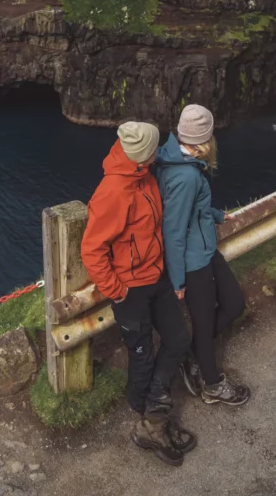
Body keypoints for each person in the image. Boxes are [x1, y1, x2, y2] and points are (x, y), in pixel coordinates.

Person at [81, 121, 195, 467]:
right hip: (131, 289)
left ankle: (154, 409)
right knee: (142, 355)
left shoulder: (143, 175)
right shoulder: (114, 191)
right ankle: (149, 422)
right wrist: (118, 291)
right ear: (144, 154)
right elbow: (92, 250)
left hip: (154, 278)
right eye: (156, 147)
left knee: (177, 338)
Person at [156, 104, 251, 406]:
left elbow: (192, 210)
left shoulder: (177, 159)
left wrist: (217, 216)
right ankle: (212, 385)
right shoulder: (186, 177)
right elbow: (173, 230)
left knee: (234, 303)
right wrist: (178, 280)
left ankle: (194, 355)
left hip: (205, 250)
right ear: (204, 139)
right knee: (205, 321)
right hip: (193, 263)